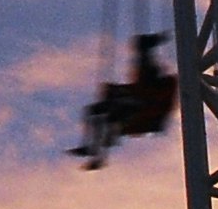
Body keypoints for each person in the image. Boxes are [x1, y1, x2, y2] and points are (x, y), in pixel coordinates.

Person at [74, 32, 179, 167]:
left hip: (142, 109)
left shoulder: (158, 82)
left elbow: (151, 95)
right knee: (95, 112)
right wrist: (114, 91)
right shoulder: (146, 77)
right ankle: (93, 149)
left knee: (111, 116)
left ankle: (100, 156)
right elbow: (136, 89)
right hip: (137, 105)